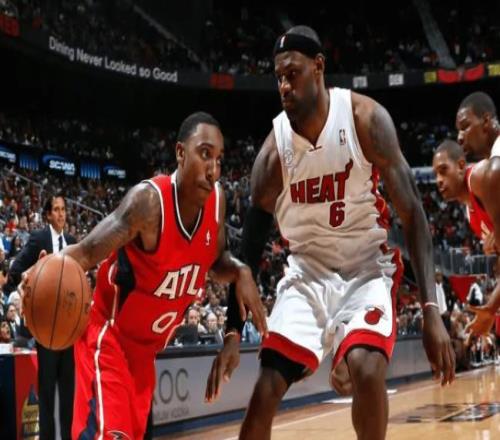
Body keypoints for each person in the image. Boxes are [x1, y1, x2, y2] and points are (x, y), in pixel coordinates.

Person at [206, 26, 455, 440]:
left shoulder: (365, 120)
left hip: (365, 268)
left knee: (367, 369)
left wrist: (431, 309)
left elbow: (413, 214)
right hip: (307, 274)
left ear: (319, 67)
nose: (284, 86)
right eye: (279, 78)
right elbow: (247, 254)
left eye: (293, 74)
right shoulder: (273, 154)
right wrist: (233, 331)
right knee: (265, 390)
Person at [21, 112, 267, 439]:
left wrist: (240, 271)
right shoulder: (149, 203)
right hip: (109, 337)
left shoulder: (217, 201)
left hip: (144, 356)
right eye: (205, 154)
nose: (213, 169)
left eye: (219, 159)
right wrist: (39, 272)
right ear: (180, 153)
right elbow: (86, 252)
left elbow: (216, 260)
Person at [9, 194, 76, 440]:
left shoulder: (72, 242)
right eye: (56, 209)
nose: (61, 214)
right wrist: (29, 280)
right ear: (48, 214)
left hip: (68, 328)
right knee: (46, 394)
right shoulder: (39, 238)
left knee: (68, 394)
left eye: (63, 209)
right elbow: (16, 270)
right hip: (46, 327)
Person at [432, 137, 499, 335]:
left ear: (461, 166)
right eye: (436, 174)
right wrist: (490, 307)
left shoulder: (478, 177)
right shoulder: (470, 215)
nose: (438, 180)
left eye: (443, 170)